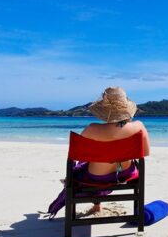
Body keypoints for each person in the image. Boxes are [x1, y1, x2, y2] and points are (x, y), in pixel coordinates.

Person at [46, 87, 150, 218]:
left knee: (81, 168)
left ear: (104, 110)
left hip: (96, 176)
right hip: (125, 173)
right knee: (94, 164)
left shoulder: (92, 129)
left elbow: (76, 156)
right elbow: (144, 153)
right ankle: (97, 204)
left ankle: (78, 190)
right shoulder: (139, 126)